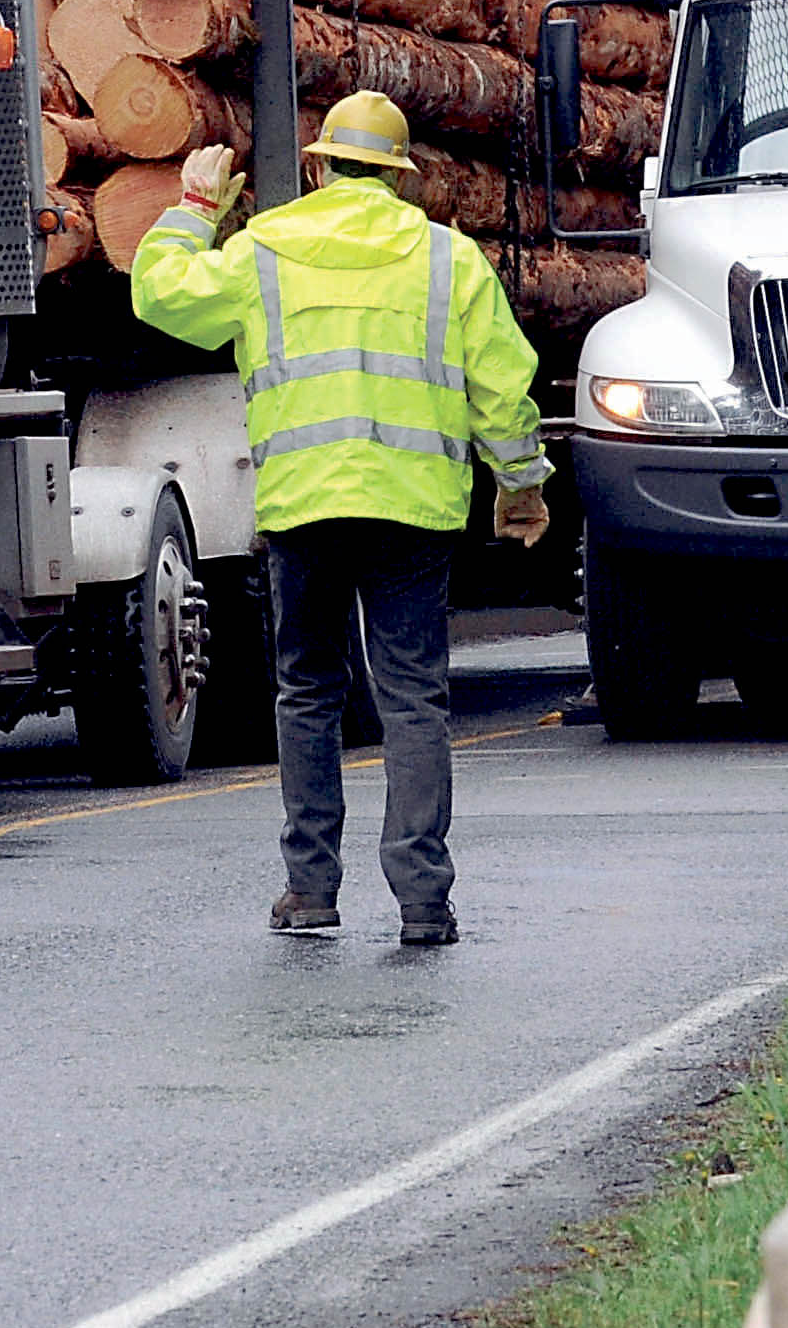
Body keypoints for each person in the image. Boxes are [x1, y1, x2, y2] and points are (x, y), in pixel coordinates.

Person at [128, 89, 550, 946]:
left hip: (305, 506)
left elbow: (161, 297)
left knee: (308, 692)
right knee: (413, 701)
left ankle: (310, 889)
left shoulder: (263, 251)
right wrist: (520, 486)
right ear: (401, 178)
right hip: (414, 511)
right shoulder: (448, 260)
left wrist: (194, 208)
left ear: (317, 166)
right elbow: (503, 393)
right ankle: (424, 899)